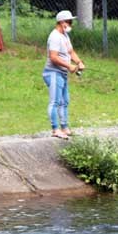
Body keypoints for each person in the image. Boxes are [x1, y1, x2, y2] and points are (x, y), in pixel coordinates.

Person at [43, 10, 85, 139]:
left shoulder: (65, 36)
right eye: (69, 21)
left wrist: (79, 62)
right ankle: (55, 129)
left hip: (62, 73)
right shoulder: (54, 37)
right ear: (62, 22)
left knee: (64, 101)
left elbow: (70, 52)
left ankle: (65, 127)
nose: (71, 24)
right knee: (55, 101)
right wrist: (69, 66)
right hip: (53, 73)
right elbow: (53, 57)